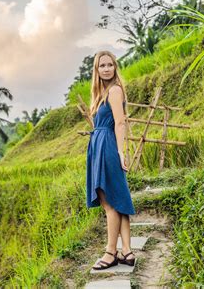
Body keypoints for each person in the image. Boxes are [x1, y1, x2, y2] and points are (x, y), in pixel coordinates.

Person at [86, 50, 136, 270]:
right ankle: (127, 250)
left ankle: (110, 252)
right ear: (96, 70)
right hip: (99, 145)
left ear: (115, 67)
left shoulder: (115, 91)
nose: (106, 69)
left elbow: (120, 123)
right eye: (102, 66)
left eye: (110, 65)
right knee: (118, 198)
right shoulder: (101, 94)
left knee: (109, 203)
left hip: (107, 145)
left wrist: (120, 152)